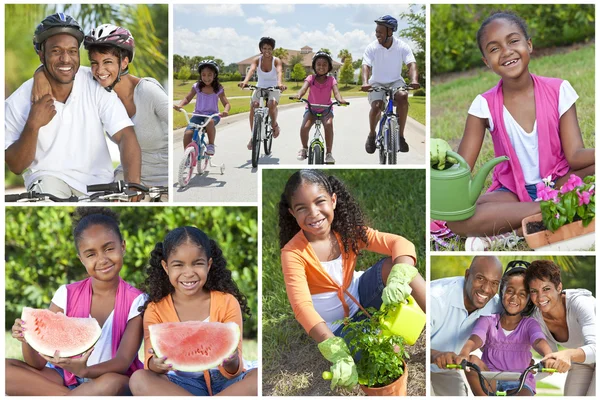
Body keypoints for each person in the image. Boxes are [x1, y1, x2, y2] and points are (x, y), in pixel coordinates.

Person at [430, 11, 595, 250]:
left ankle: (515, 228)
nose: (506, 51)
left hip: (560, 181)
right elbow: (462, 169)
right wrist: (441, 158)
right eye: (494, 48)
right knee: (457, 220)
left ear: (529, 45)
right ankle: (557, 210)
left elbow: (575, 155)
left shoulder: (559, 89)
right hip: (512, 194)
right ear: (486, 61)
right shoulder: (483, 105)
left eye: (513, 41)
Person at [278, 169, 426, 390]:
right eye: (302, 208)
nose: (314, 213)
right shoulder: (292, 253)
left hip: (362, 295)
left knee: (397, 266)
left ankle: (435, 323)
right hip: (337, 329)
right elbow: (302, 308)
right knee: (385, 354)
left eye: (320, 202)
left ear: (334, 200)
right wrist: (334, 348)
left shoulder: (347, 231)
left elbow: (399, 243)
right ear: (292, 213)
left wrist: (399, 276)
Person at [6, 207, 145, 395]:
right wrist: (28, 338)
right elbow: (37, 363)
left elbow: (121, 363)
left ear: (123, 246)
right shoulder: (66, 294)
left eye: (109, 249)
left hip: (109, 379)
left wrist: (84, 370)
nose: (102, 259)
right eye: (91, 254)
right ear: (81, 259)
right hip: (66, 377)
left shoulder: (137, 300)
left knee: (112, 383)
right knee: (5, 369)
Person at [5, 13, 141, 198]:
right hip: (48, 181)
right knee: (46, 194)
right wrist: (32, 125)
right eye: (56, 51)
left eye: (72, 51)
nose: (66, 59)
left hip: (98, 185)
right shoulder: (17, 101)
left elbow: (125, 135)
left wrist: (133, 186)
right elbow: (16, 166)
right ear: (41, 54)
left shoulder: (94, 84)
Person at [32, 24, 168, 189]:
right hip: (128, 177)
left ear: (124, 62)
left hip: (164, 178)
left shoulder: (147, 91)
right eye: (94, 63)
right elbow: (63, 69)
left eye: (108, 62)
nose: (100, 70)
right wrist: (39, 74)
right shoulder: (98, 88)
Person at [129, 227, 258, 396]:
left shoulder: (227, 302)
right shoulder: (155, 309)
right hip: (181, 384)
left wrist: (232, 361)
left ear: (209, 265)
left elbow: (234, 369)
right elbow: (150, 362)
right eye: (178, 265)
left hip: (228, 383)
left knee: (258, 377)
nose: (188, 273)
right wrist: (156, 364)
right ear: (166, 267)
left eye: (197, 263)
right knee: (139, 379)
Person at [451, 261, 560, 395]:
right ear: (501, 292)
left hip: (521, 379)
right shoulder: (488, 320)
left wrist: (548, 355)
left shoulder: (529, 324)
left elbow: (538, 340)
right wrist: (464, 353)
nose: (514, 297)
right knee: (472, 361)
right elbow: (476, 337)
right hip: (491, 377)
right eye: (510, 291)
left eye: (522, 294)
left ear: (528, 300)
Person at [430, 256, 503, 396]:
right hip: (420, 362)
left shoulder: (496, 306)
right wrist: (436, 354)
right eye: (480, 278)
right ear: (467, 275)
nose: (486, 289)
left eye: (494, 283)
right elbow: (410, 344)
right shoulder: (436, 298)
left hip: (446, 369)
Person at [525, 260, 596, 396]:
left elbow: (594, 347)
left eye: (546, 289)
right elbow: (551, 360)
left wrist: (568, 353)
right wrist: (530, 374)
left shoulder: (580, 303)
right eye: (534, 291)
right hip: (581, 361)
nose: (540, 297)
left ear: (558, 288)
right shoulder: (536, 319)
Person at [361, 15, 420, 155]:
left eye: (380, 32)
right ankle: (371, 135)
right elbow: (365, 66)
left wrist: (414, 80)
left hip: (395, 81)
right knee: (376, 106)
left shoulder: (402, 46)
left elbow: (411, 64)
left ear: (390, 32)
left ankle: (400, 137)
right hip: (377, 82)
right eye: (376, 31)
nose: (377, 35)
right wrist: (365, 82)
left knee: (403, 96)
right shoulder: (372, 47)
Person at [291, 51, 348, 164]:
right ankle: (304, 148)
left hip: (326, 110)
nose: (321, 67)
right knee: (304, 127)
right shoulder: (310, 78)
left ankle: (329, 154)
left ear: (329, 67)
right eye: (319, 64)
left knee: (328, 125)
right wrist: (298, 95)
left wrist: (340, 100)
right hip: (311, 109)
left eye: (324, 64)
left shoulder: (331, 80)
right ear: (314, 66)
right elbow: (303, 89)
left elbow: (336, 93)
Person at [238, 36, 287, 150]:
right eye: (264, 48)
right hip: (260, 87)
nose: (267, 51)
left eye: (269, 48)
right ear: (261, 49)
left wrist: (279, 84)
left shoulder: (276, 60)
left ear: (272, 49)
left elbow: (279, 72)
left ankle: (274, 125)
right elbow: (251, 70)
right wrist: (245, 82)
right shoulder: (257, 60)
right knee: (253, 106)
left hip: (273, 87)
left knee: (271, 104)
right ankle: (253, 136)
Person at [174, 60, 230, 156]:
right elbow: (187, 98)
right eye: (203, 75)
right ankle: (187, 157)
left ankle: (211, 145)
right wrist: (180, 105)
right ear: (200, 75)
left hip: (212, 116)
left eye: (209, 75)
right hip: (198, 115)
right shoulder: (197, 86)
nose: (206, 78)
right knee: (188, 134)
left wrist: (225, 111)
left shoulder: (218, 88)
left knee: (210, 122)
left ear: (214, 75)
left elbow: (226, 103)